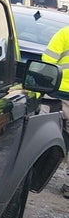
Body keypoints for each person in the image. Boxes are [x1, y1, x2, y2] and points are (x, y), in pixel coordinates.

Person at [42, 24, 69, 197]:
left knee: (41, 132)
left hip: (56, 93)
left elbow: (47, 60)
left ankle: (33, 170)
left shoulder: (65, 33)